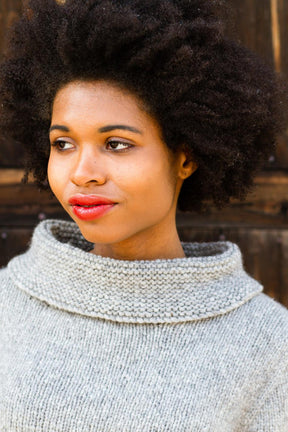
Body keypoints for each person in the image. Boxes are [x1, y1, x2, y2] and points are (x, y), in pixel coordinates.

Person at [0, 0, 287, 430]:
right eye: (63, 144)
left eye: (116, 144)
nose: (82, 173)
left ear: (185, 158)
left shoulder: (267, 341)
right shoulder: (6, 302)